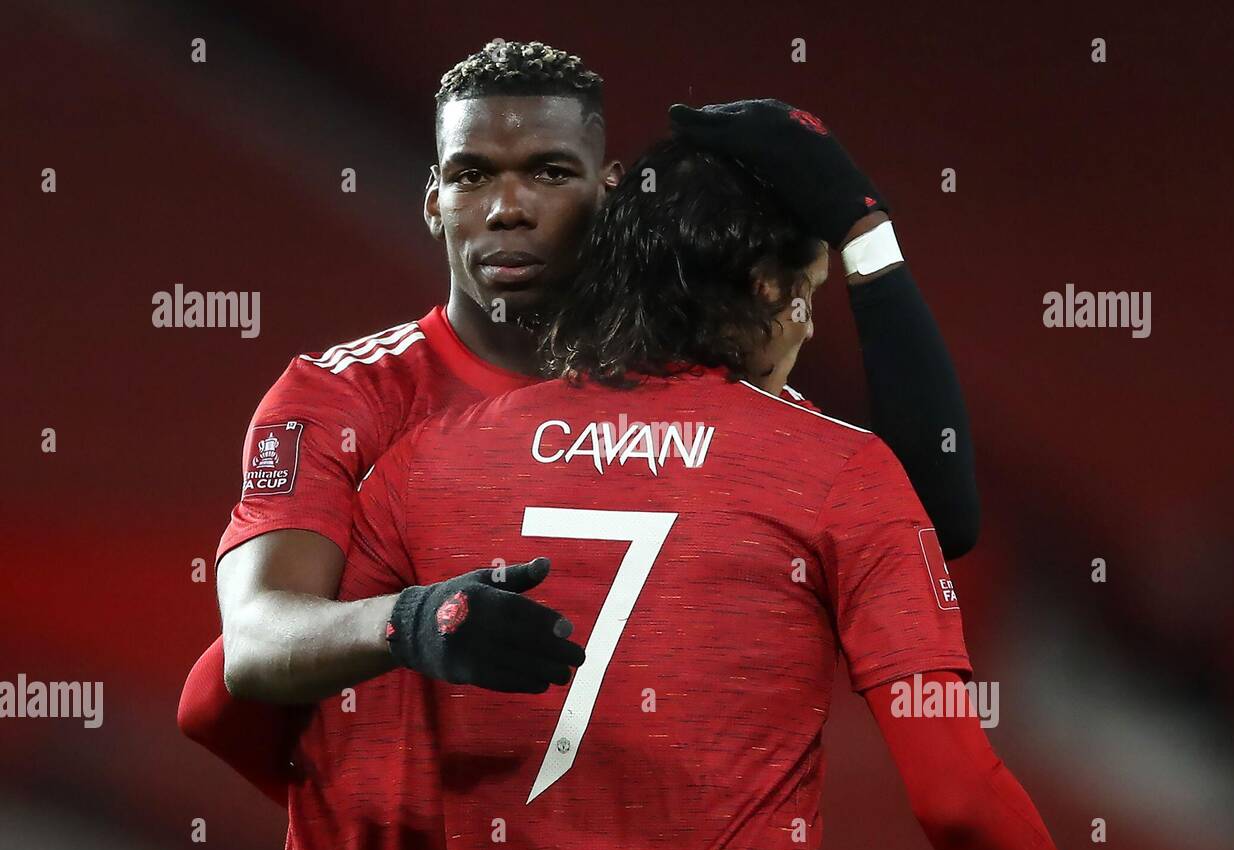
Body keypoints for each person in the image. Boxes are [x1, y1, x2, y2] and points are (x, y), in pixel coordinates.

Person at [178, 40, 980, 808]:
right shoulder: (343, 398)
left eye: (550, 173)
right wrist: (416, 625)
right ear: (434, 199)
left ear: (609, 188)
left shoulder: (715, 413)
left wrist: (864, 232)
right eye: (471, 175)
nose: (507, 208)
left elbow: (928, 519)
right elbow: (253, 645)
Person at [279, 136, 1068, 850]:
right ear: (769, 287)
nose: (811, 324)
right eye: (811, 295)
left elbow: (222, 699)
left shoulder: (425, 462)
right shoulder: (839, 471)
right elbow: (958, 802)